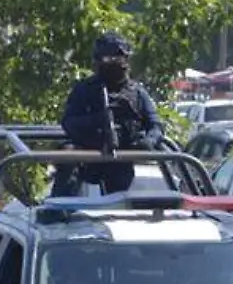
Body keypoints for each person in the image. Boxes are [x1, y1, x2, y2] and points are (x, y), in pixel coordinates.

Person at [56, 33, 164, 197]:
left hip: (122, 158)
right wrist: (97, 120)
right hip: (88, 156)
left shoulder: (137, 93)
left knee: (117, 204)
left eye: (117, 58)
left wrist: (147, 141)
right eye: (107, 58)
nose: (113, 63)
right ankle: (58, 210)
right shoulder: (85, 89)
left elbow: (156, 125)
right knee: (68, 154)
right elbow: (68, 122)